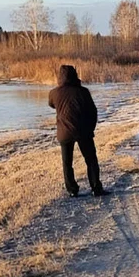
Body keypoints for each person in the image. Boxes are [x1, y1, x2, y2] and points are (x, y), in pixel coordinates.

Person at [48, 64, 107, 197]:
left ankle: (72, 190)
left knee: (67, 163)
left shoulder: (54, 93)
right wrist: (91, 128)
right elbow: (93, 111)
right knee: (91, 159)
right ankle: (96, 188)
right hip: (83, 131)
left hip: (64, 132)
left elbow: (51, 104)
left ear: (60, 77)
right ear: (75, 75)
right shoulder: (83, 92)